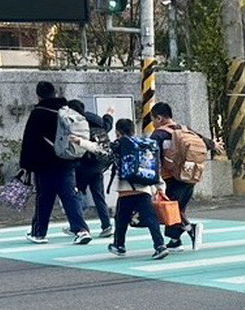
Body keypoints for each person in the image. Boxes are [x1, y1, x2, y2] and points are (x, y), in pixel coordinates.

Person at [18, 81, 90, 245]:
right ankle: (81, 230)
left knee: (44, 199)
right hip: (67, 161)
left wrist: (27, 165)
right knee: (70, 197)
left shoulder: (39, 113)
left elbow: (30, 140)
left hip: (45, 164)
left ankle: (39, 233)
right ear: (54, 93)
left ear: (38, 95)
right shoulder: (66, 110)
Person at [149, 101, 220, 250]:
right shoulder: (185, 129)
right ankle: (175, 241)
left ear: (160, 118)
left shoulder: (158, 135)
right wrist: (214, 145)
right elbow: (204, 141)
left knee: (170, 209)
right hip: (190, 175)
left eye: (153, 119)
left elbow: (152, 157)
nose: (153, 123)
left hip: (171, 178)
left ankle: (190, 228)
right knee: (178, 208)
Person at [103, 118, 169, 261]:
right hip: (144, 189)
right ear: (133, 130)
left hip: (126, 191)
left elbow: (100, 150)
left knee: (121, 220)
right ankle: (160, 246)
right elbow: (154, 167)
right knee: (152, 219)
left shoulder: (119, 145)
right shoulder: (145, 144)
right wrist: (160, 188)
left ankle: (119, 245)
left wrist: (81, 142)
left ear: (117, 132)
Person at [64, 99, 113, 239]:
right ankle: (106, 225)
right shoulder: (94, 119)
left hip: (83, 165)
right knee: (98, 195)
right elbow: (107, 126)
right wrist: (109, 115)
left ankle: (78, 225)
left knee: (77, 194)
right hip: (99, 164)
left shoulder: (74, 123)